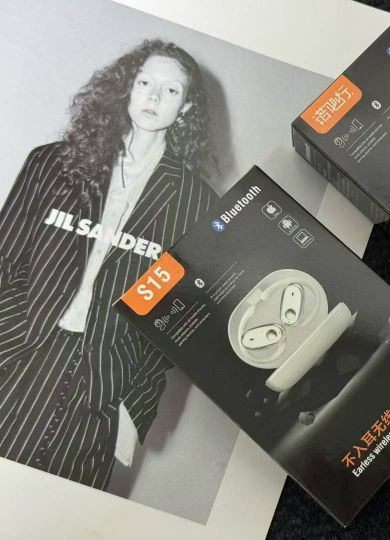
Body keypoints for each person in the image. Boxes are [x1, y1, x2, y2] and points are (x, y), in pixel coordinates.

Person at [0, 39, 218, 490]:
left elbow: (178, 320)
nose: (154, 97)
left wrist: (131, 404)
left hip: (103, 380)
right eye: (145, 83)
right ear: (126, 88)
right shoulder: (51, 163)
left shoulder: (197, 203)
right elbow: (5, 259)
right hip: (19, 350)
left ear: (186, 107)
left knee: (58, 512)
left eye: (171, 90)